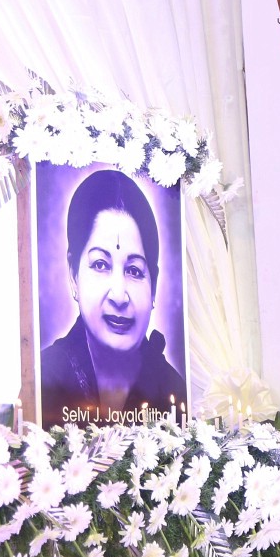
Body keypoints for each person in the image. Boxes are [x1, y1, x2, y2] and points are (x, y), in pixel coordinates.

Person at [40, 169, 186, 428]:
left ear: (154, 285)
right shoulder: (43, 381)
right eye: (100, 264)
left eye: (134, 271)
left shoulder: (174, 393)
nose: (119, 295)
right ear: (74, 275)